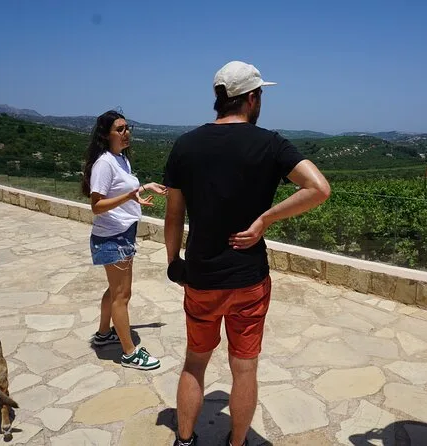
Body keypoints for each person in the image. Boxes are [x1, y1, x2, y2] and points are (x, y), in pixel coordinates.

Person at [163, 61, 331, 446]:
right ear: (252, 98)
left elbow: (173, 215)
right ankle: (237, 443)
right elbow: (319, 188)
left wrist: (174, 262)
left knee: (195, 362)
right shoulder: (270, 143)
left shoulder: (185, 144)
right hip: (249, 279)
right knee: (244, 369)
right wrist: (264, 220)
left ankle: (184, 440)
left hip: (201, 276)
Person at [81, 110, 165, 370]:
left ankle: (104, 334)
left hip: (123, 233)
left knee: (114, 290)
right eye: (119, 129)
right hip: (112, 237)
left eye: (127, 128)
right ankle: (129, 353)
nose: (126, 133)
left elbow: (124, 191)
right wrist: (129, 197)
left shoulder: (121, 160)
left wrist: (144, 187)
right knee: (122, 295)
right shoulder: (104, 164)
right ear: (106, 135)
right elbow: (97, 205)